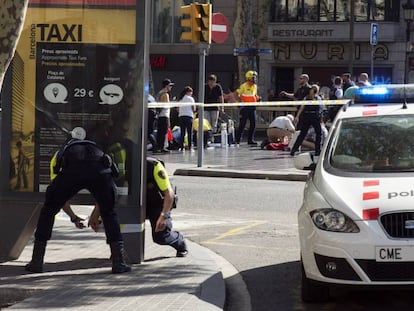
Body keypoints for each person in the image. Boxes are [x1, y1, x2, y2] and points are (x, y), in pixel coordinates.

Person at [25, 137, 131, 274]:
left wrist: (73, 217)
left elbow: (56, 196)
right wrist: (96, 213)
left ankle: (36, 262)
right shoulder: (99, 150)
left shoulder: (60, 153)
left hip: (72, 172)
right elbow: (110, 181)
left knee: (48, 212)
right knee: (109, 213)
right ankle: (118, 263)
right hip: (99, 171)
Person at [89, 157, 188, 257]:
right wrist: (96, 213)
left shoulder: (153, 165)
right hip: (134, 203)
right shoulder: (118, 167)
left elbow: (169, 194)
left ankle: (179, 242)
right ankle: (120, 251)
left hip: (157, 204)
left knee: (161, 237)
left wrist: (164, 215)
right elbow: (107, 192)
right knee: (118, 226)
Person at [290, 84, 323, 157]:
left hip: (306, 116)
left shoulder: (306, 97)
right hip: (315, 116)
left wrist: (297, 116)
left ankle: (294, 149)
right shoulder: (318, 98)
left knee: (302, 134)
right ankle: (318, 150)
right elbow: (321, 108)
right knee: (318, 133)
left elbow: (302, 107)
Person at [235, 70, 261, 146]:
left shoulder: (255, 87)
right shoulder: (243, 86)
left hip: (252, 107)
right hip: (245, 108)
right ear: (248, 78)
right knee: (242, 124)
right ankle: (238, 140)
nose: (254, 79)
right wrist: (238, 103)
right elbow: (238, 95)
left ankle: (250, 140)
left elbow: (254, 95)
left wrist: (258, 99)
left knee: (253, 124)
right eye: (253, 78)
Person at [154, 78, 174, 154]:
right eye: (170, 86)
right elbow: (165, 105)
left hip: (160, 115)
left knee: (160, 131)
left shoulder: (159, 93)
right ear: (166, 86)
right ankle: (161, 147)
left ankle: (159, 146)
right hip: (164, 114)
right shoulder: (165, 94)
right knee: (163, 131)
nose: (170, 87)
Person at [177, 86, 196, 151]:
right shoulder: (191, 99)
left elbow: (177, 109)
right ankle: (190, 146)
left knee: (182, 132)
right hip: (189, 116)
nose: (191, 93)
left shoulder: (180, 99)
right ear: (188, 92)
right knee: (190, 132)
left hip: (181, 116)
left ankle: (181, 146)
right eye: (191, 92)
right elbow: (193, 108)